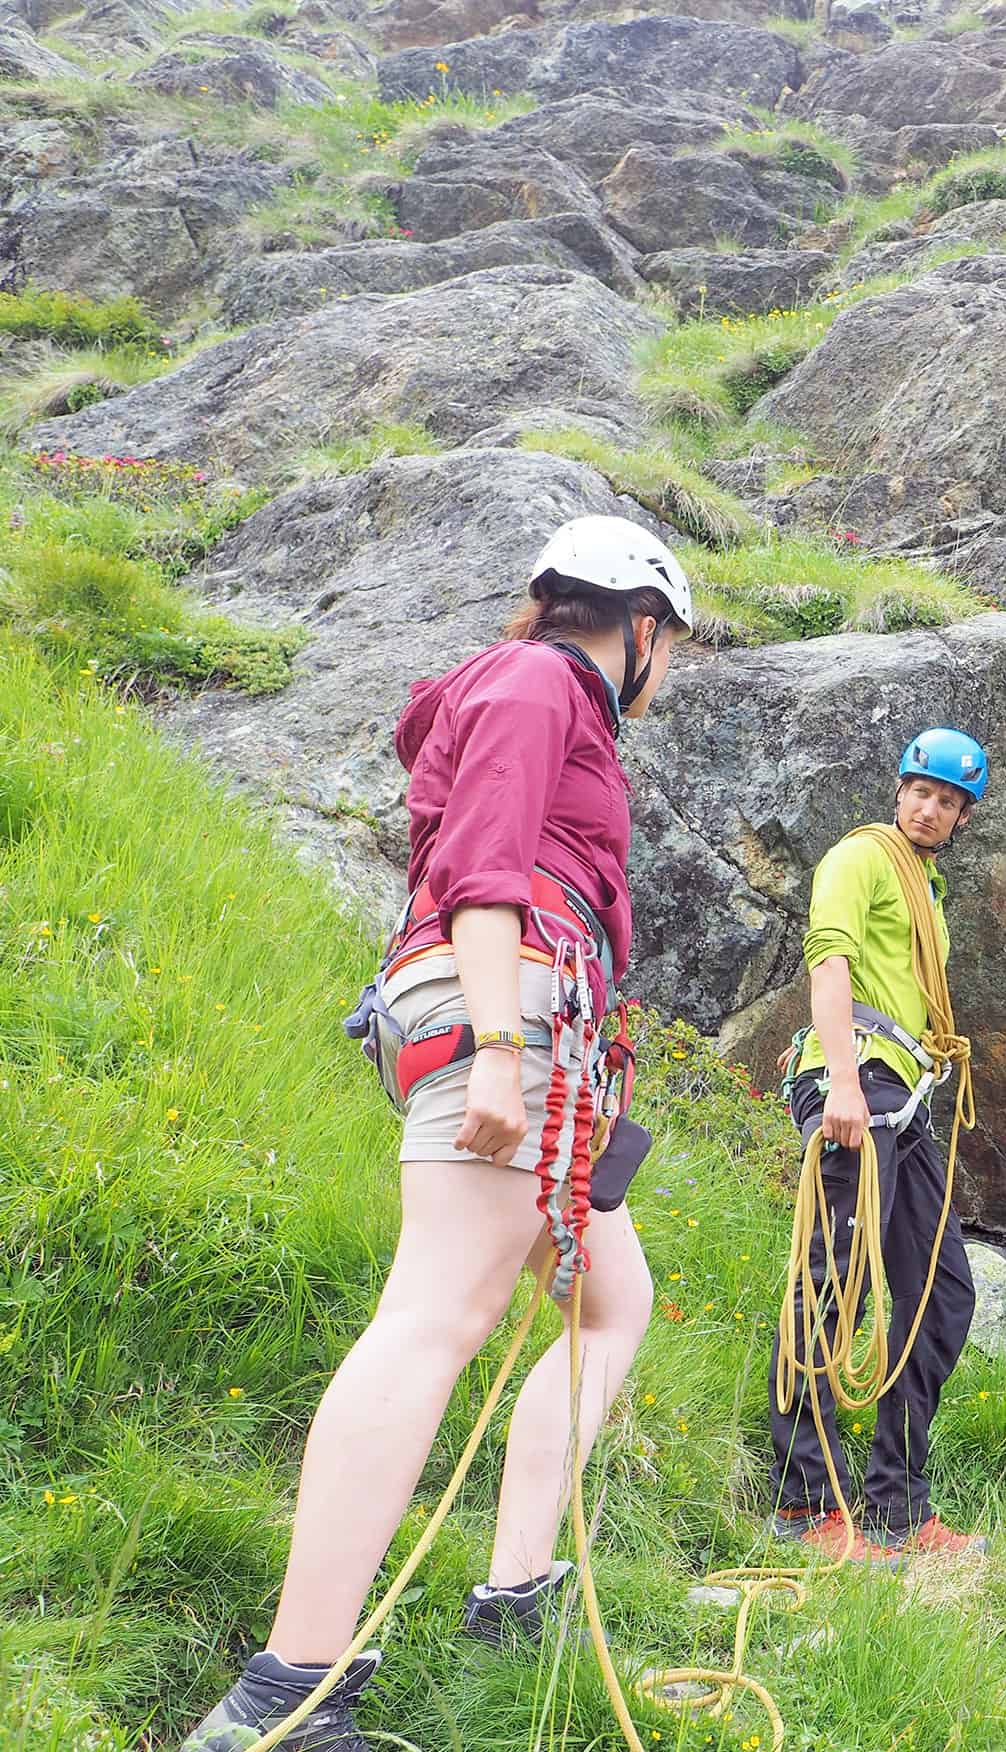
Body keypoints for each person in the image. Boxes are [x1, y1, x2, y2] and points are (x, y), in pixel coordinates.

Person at [182, 516, 691, 1751]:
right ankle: (282, 1698)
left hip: (523, 1011)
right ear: (636, 624)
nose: (667, 666)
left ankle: (513, 1599)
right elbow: (483, 868)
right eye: (671, 643)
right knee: (434, 1320)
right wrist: (507, 1056)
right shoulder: (538, 681)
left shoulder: (518, 684)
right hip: (506, 1002)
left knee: (611, 1305)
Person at [765, 729, 990, 1562]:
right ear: (898, 792)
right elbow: (831, 968)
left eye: (948, 801)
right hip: (854, 1079)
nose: (931, 809)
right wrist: (846, 1087)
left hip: (907, 1093)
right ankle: (804, 1506)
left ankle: (896, 1505)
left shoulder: (928, 890)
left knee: (941, 1293)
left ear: (961, 818)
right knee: (836, 1282)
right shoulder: (861, 860)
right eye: (921, 792)